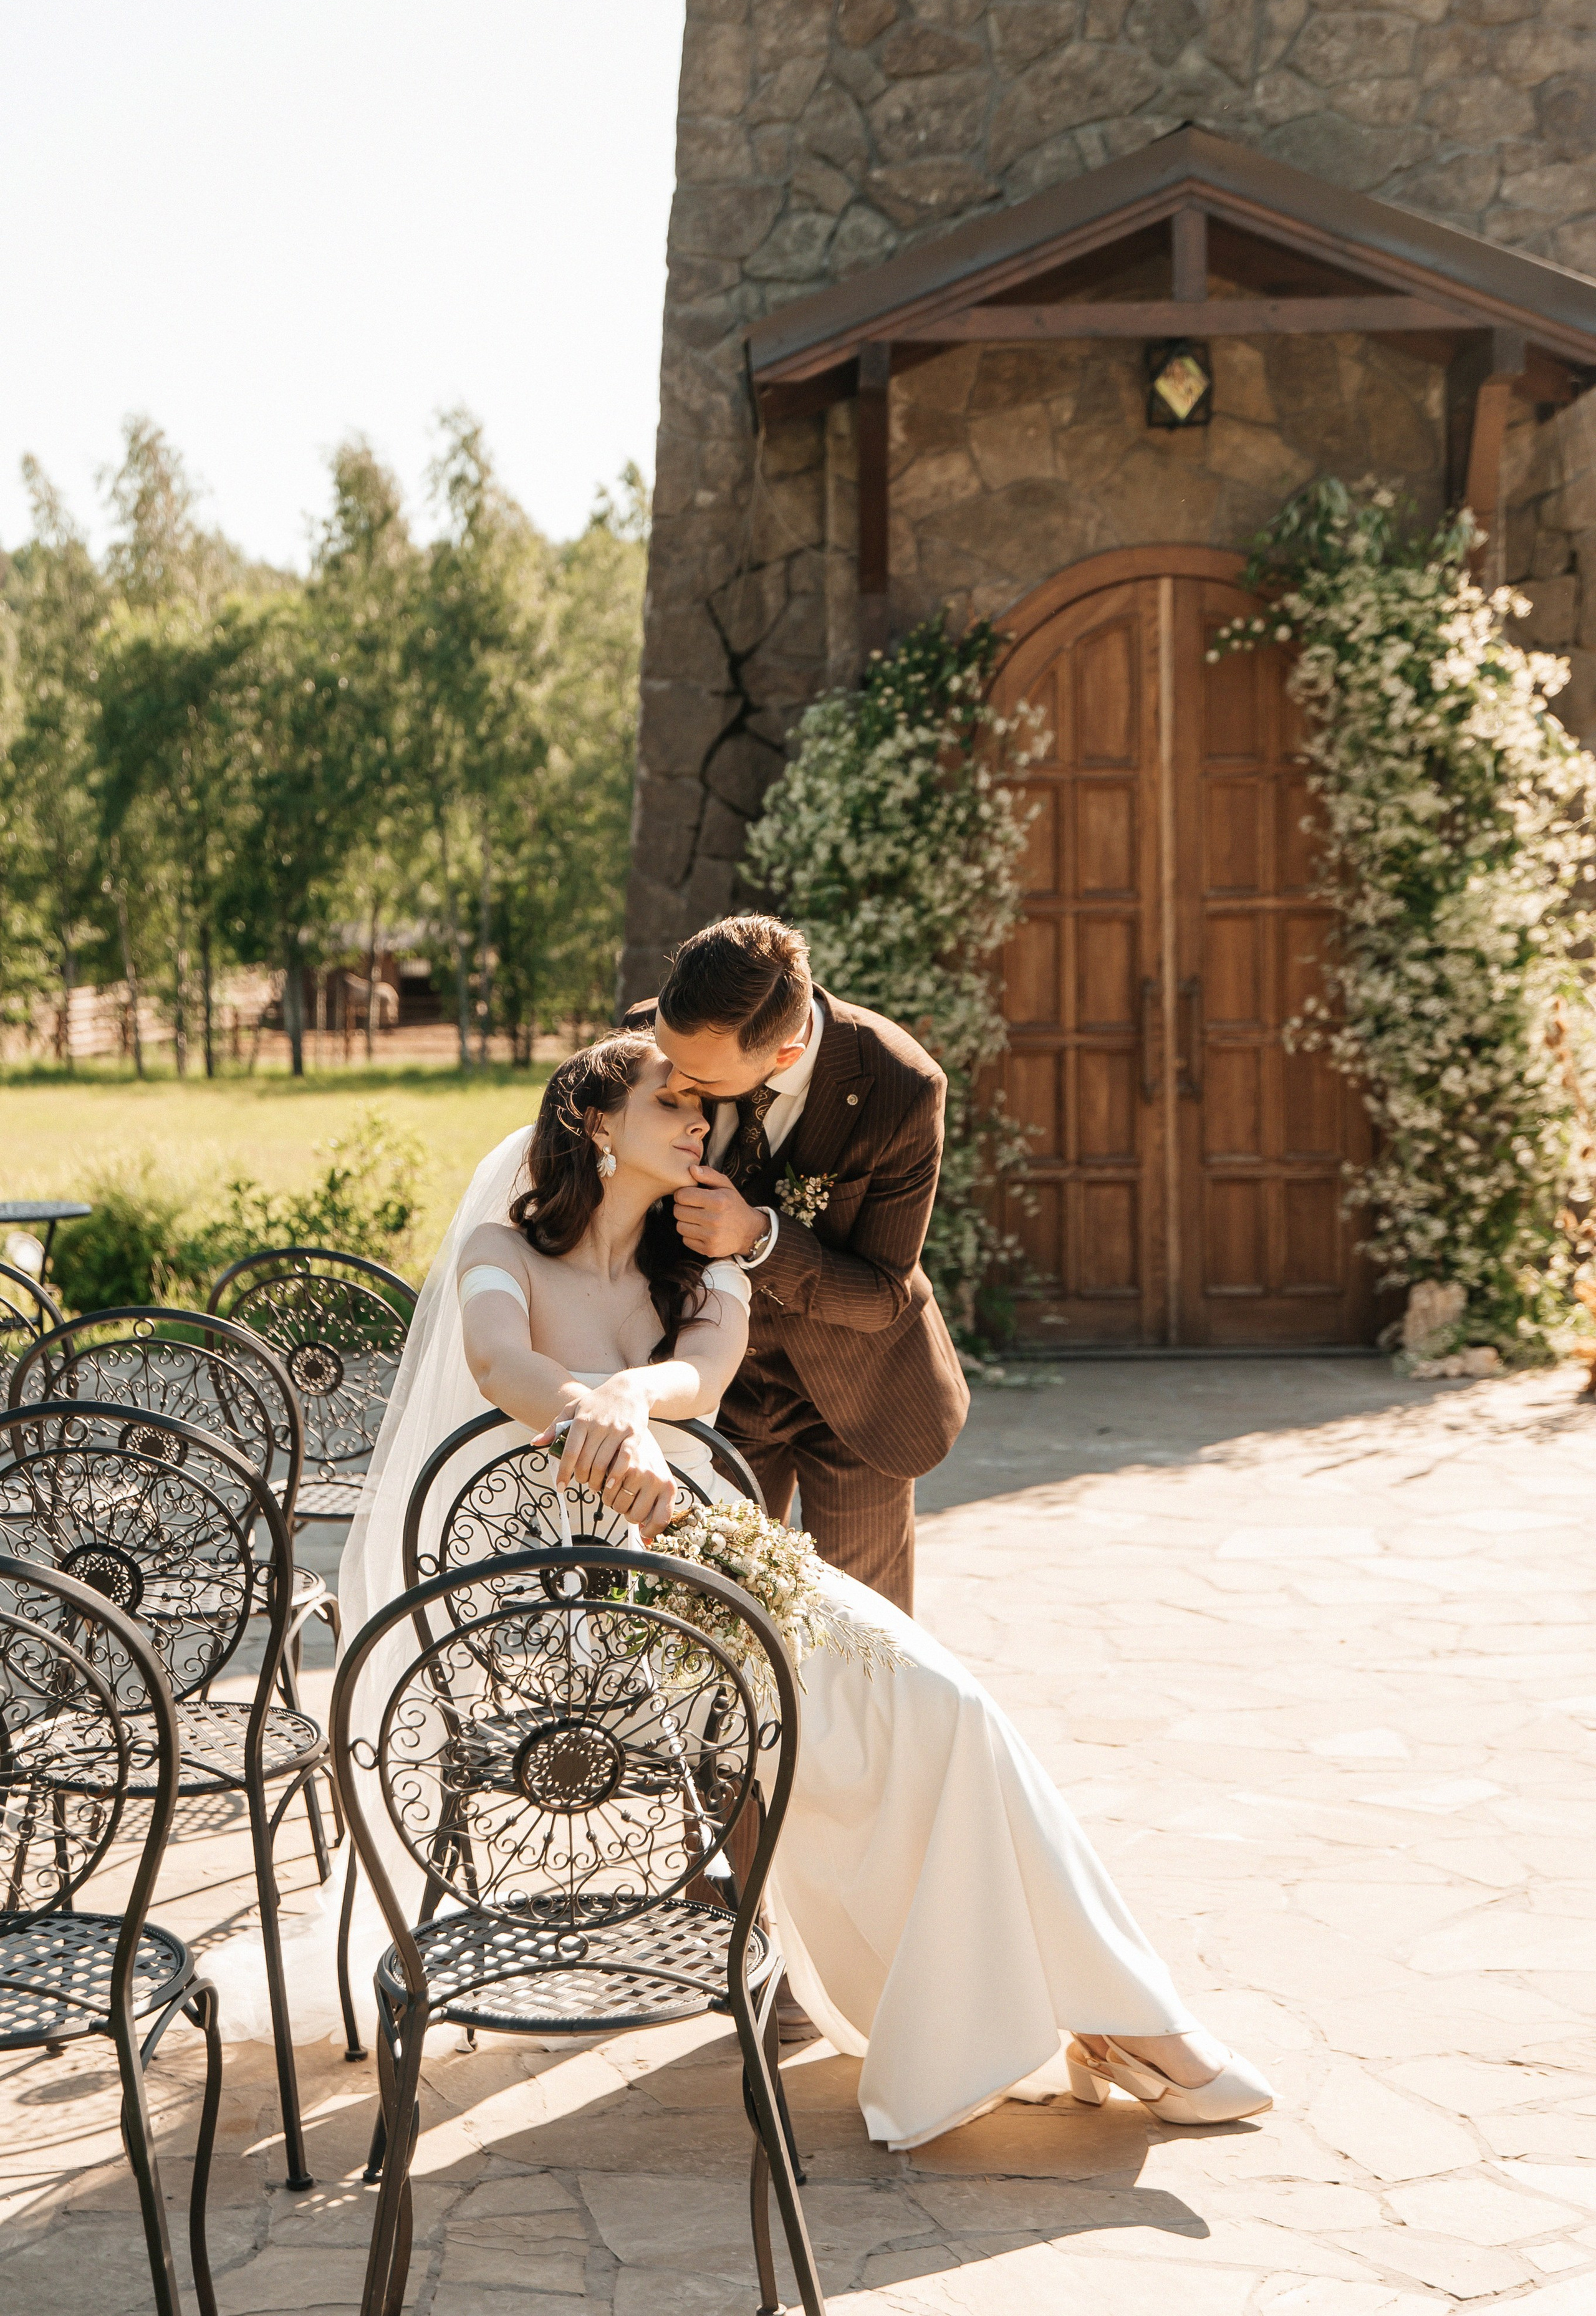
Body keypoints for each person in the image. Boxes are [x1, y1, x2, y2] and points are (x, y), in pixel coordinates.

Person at [324, 1031, 1273, 2151]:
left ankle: (1112, 2014)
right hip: (574, 1624)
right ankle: (1116, 2022)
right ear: (593, 1123)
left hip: (716, 1564)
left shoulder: (705, 1254)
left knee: (947, 1710)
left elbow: (705, 1375)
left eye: (700, 1103)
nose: (699, 1120)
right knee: (915, 1726)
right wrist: (594, 1408)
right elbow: (496, 1362)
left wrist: (632, 1394)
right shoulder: (504, 1248)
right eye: (670, 1101)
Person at [625, 913, 966, 1617]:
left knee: (865, 1630)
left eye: (698, 1078)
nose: (674, 1078)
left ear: (782, 1056)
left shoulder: (901, 1084)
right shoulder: (657, 1037)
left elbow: (880, 1292)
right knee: (704, 1615)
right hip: (716, 1385)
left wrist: (758, 1236)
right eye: (668, 1053)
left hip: (857, 1392)